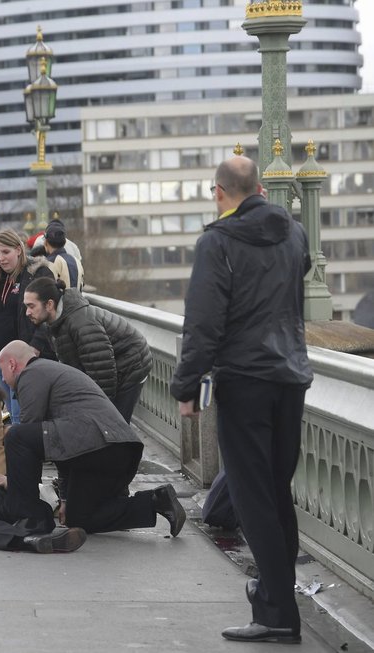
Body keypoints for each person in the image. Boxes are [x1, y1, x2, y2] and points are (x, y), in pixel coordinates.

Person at [171, 156, 312, 645]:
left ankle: (277, 615)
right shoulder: (294, 234)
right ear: (260, 190)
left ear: (219, 193)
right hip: (291, 377)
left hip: (245, 380)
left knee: (253, 500)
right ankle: (277, 599)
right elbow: (301, 274)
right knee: (277, 493)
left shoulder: (219, 241)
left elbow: (204, 321)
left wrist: (187, 387)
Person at [0, 341, 185, 538]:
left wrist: (14, 484)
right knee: (79, 518)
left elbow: (29, 437)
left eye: (1, 372)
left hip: (99, 445)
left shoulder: (31, 373)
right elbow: (57, 445)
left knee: (16, 436)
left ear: (12, 364)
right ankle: (155, 501)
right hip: (118, 451)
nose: (3, 378)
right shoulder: (55, 371)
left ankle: (30, 519)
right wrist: (65, 499)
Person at [23, 277, 152, 423]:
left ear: (49, 304)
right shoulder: (52, 324)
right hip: (111, 364)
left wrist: (98, 410)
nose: (27, 312)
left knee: (115, 425)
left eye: (31, 306)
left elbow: (103, 373)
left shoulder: (81, 323)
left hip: (131, 363)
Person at [0, 229, 54, 421]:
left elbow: (50, 313)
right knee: (13, 410)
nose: (1, 258)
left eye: (6, 252)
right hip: (2, 360)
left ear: (19, 250)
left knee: (21, 415)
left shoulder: (37, 272)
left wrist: (35, 346)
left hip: (26, 358)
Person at [42, 220, 84, 291]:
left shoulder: (49, 263)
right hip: (77, 301)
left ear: (46, 242)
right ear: (64, 242)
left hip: (58, 302)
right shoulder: (76, 260)